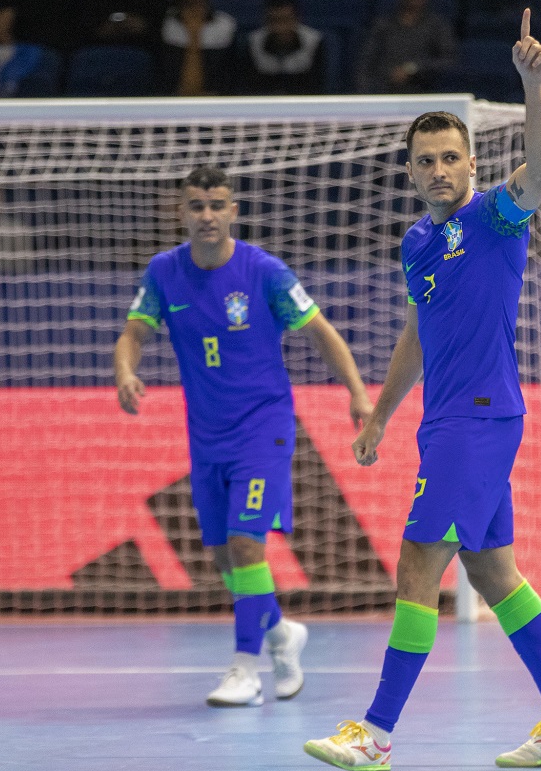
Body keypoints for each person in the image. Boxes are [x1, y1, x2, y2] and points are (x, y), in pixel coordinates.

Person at [303, 9, 541, 770]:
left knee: (415, 563)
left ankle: (374, 731)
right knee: (492, 569)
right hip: (446, 421)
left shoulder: (497, 218)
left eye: (450, 157)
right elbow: (418, 332)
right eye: (426, 160)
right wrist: (379, 410)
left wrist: (534, 86)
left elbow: (540, 168)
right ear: (410, 171)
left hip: (479, 418)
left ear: (471, 164)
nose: (439, 170)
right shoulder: (417, 242)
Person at [114, 166, 374, 707]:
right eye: (196, 205)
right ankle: (281, 632)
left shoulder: (265, 272)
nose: (206, 215)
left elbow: (323, 335)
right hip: (206, 437)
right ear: (181, 213)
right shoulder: (164, 273)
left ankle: (244, 668)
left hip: (264, 429)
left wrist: (358, 394)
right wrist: (125, 371)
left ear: (233, 210)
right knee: (223, 558)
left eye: (216, 204)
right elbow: (133, 335)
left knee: (244, 543)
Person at [354, 0, 456, 94]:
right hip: (385, 94)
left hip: (424, 95)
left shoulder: (438, 25)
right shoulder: (382, 25)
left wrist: (413, 69)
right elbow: (365, 64)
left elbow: (449, 61)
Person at [158, 0, 236, 95]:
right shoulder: (163, 20)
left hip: (212, 101)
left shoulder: (225, 24)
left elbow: (230, 72)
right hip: (170, 101)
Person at [238, 0, 327, 95]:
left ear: (297, 19)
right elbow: (250, 86)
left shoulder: (314, 40)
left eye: (285, 20)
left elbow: (318, 84)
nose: (280, 27)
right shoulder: (253, 41)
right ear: (265, 20)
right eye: (274, 20)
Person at [74, 0, 166, 52]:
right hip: (100, 49)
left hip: (145, 50)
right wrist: (104, 29)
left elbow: (162, 29)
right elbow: (82, 27)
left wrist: (144, 27)